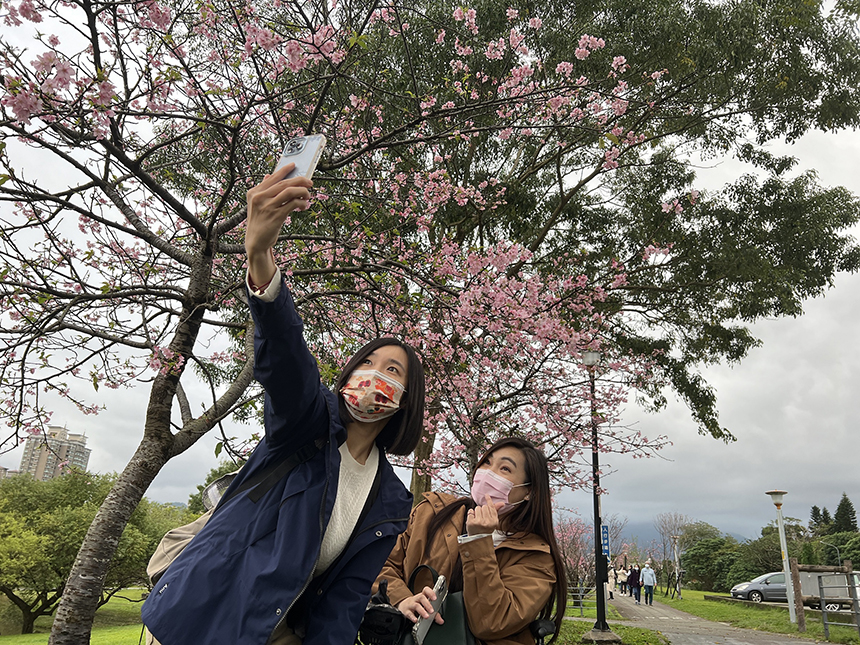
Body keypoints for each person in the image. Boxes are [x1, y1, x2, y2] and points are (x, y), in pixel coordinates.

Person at [141, 163, 426, 645]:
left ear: (404, 402)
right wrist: (261, 262)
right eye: (365, 364)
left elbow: (346, 597)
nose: (373, 376)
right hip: (202, 612)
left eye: (392, 371)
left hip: (273, 632)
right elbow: (288, 362)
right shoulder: (306, 425)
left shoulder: (392, 500)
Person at [374, 437, 567, 645]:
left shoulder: (536, 558)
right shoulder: (432, 513)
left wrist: (478, 540)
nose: (488, 473)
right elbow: (379, 564)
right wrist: (403, 599)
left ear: (528, 491)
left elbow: (491, 622)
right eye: (486, 462)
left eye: (504, 469)